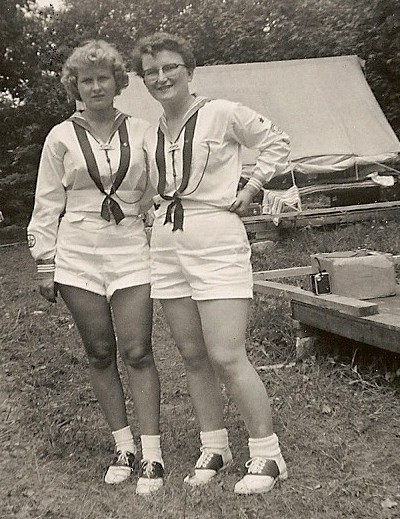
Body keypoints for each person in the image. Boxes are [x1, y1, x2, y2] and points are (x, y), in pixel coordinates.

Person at [132, 32, 290, 495]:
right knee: (191, 353)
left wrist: (253, 186)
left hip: (216, 236)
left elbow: (276, 141)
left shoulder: (222, 112)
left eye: (170, 67)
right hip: (165, 240)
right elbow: (147, 186)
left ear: (189, 68)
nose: (161, 78)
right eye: (151, 72)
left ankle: (268, 454)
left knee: (226, 352)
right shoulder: (151, 130)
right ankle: (214, 447)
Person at [27, 40, 163, 496]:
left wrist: (147, 211)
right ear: (75, 86)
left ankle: (152, 453)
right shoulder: (60, 136)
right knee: (100, 352)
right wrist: (45, 262)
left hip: (128, 247)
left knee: (138, 351)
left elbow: (163, 186)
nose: (96, 86)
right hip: (77, 251)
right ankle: (123, 447)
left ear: (118, 81)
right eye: (87, 79)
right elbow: (47, 203)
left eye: (104, 77)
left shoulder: (145, 129)